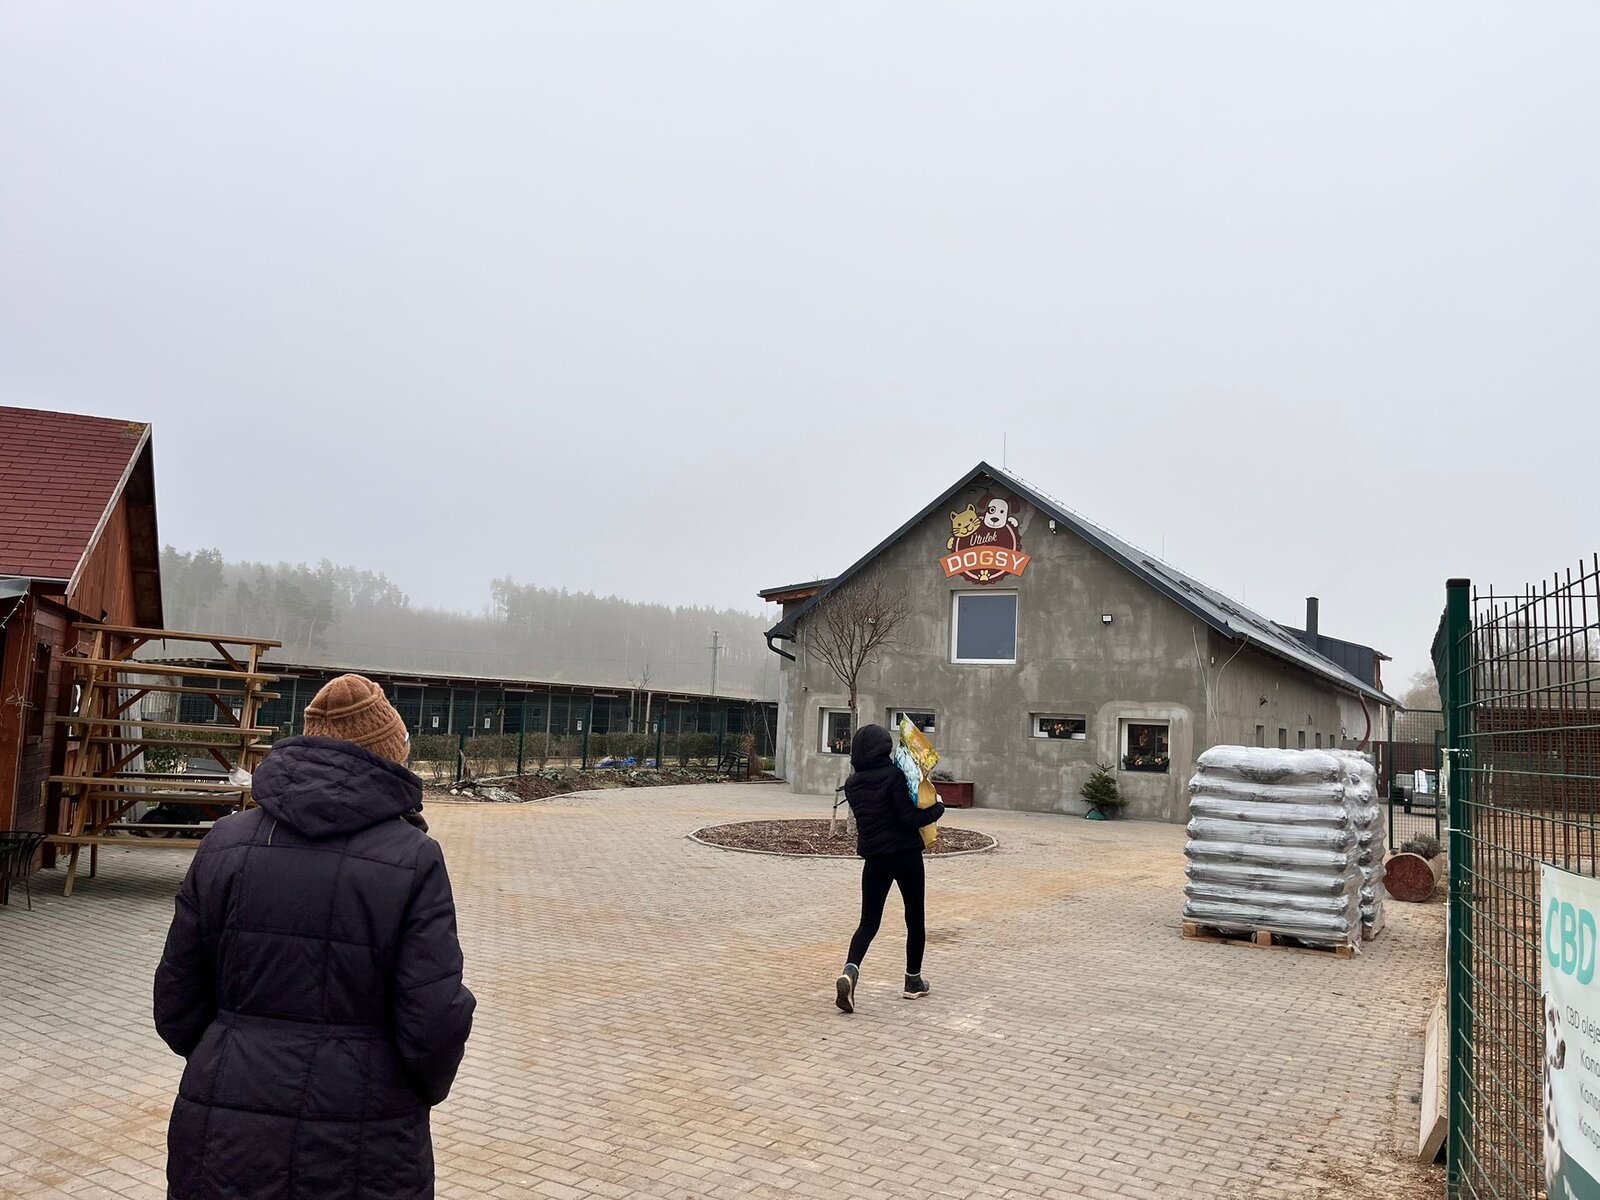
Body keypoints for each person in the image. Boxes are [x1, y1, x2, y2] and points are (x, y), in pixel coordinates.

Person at [154, 674, 476, 1200]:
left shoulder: (225, 842)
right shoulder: (413, 857)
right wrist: (412, 1088)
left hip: (226, 1124)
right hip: (363, 1131)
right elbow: (435, 1016)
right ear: (388, 756)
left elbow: (176, 1000)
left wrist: (231, 1049)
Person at [834, 724, 945, 1013]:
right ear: (884, 748)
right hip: (906, 856)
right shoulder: (894, 776)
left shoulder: (852, 784)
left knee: (868, 923)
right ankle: (913, 981)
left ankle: (850, 971)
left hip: (875, 861)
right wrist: (937, 808)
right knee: (914, 919)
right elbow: (909, 819)